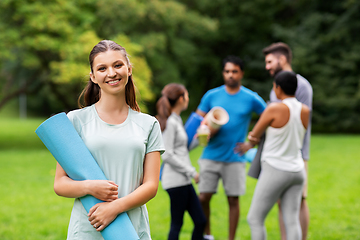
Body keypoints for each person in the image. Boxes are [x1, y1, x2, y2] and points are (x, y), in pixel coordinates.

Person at [53, 40, 165, 240]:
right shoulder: (76, 120)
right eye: (102, 68)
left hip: (131, 229)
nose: (111, 73)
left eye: (117, 65)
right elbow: (60, 184)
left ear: (129, 69)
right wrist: (89, 187)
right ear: (93, 77)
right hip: (88, 229)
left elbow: (151, 186)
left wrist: (115, 208)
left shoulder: (149, 124)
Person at [195, 56, 267, 240]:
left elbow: (268, 117)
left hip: (235, 157)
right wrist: (205, 129)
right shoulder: (212, 95)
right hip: (210, 155)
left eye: (234, 71)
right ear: (223, 73)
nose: (230, 75)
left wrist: (252, 142)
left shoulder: (250, 98)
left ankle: (231, 238)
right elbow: (197, 120)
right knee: (203, 197)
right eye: (227, 71)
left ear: (241, 73)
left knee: (233, 200)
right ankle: (207, 235)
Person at [245, 70, 310, 240]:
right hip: (297, 170)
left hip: (275, 169)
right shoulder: (305, 110)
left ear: (277, 88)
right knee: (292, 220)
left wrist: (252, 137)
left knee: (255, 218)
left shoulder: (274, 108)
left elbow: (255, 135)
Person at [263, 42, 313, 240]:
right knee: (281, 201)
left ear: (281, 59)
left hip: (297, 154)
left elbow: (302, 121)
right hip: (277, 155)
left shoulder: (302, 85)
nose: (266, 66)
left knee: (299, 200)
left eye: (269, 61)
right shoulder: (275, 87)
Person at [156, 83, 206, 240]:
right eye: (187, 95)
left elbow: (182, 149)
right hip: (176, 183)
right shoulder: (170, 122)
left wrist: (201, 138)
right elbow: (167, 155)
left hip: (183, 181)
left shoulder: (176, 120)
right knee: (177, 225)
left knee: (200, 221)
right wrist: (192, 172)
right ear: (181, 98)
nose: (188, 98)